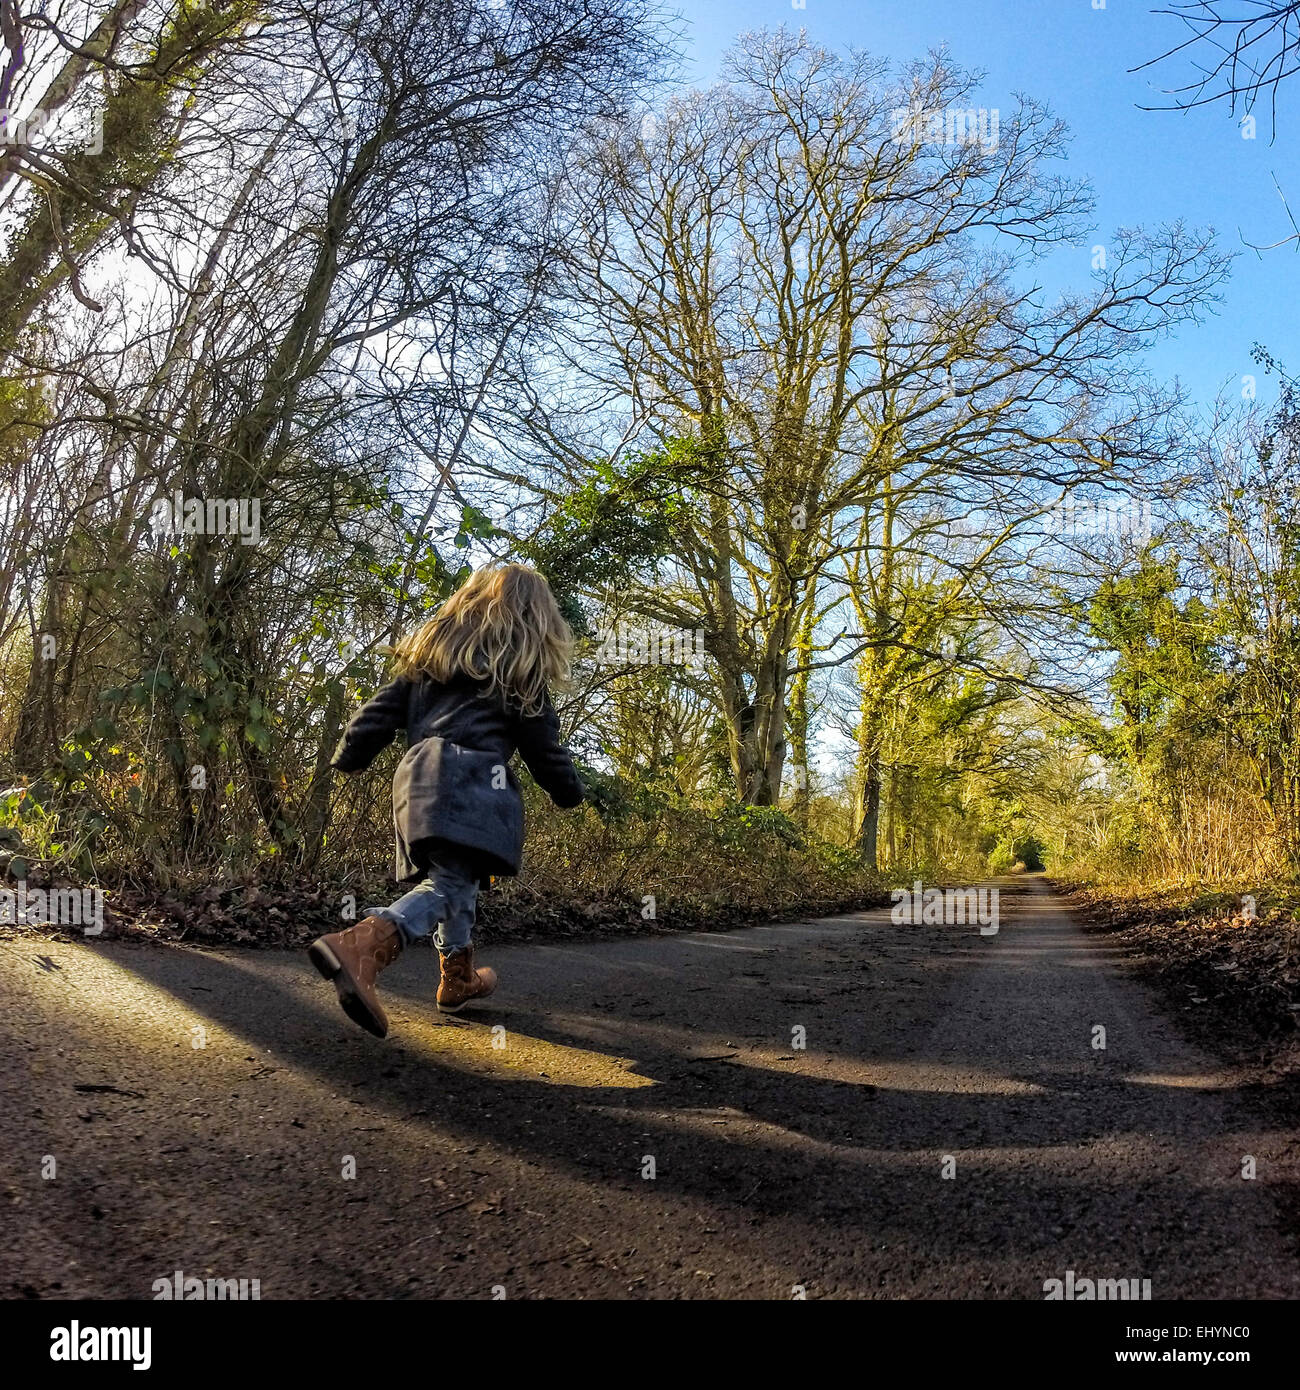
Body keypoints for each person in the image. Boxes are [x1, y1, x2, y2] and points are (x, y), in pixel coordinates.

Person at [308, 564, 584, 1035]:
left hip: (417, 780)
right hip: (475, 780)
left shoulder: (427, 663)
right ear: (536, 621)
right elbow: (543, 749)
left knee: (458, 878)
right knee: (453, 884)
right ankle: (364, 945)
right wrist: (570, 792)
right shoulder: (518, 674)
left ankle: (456, 976)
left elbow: (374, 715)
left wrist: (350, 756)